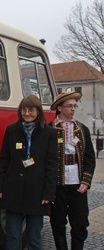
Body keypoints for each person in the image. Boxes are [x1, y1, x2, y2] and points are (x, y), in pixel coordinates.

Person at [0, 94, 58, 250]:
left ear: (38, 112)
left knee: (34, 238)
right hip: (13, 191)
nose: (27, 113)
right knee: (13, 237)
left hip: (37, 193)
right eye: (24, 109)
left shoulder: (49, 133)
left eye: (31, 110)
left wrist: (48, 193)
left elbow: (51, 165)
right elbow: (4, 159)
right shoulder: (12, 130)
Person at [49, 91, 96, 250]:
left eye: (75, 106)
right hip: (57, 184)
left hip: (78, 185)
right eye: (69, 106)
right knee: (57, 222)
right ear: (60, 108)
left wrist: (86, 181)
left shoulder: (82, 129)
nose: (73, 109)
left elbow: (89, 157)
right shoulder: (49, 129)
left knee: (80, 223)